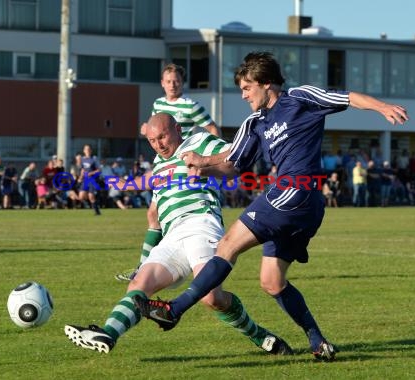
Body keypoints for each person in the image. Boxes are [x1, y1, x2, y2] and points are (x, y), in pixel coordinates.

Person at [135, 52, 408, 361]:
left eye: (247, 88)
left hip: (295, 191)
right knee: (272, 281)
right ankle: (318, 341)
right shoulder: (254, 123)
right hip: (301, 205)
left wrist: (382, 107)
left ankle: (175, 308)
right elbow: (234, 164)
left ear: (266, 84)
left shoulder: (300, 98)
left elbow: (347, 97)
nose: (243, 95)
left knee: (227, 245)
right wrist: (205, 167)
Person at [64, 113, 293, 356]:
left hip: (201, 223)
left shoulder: (199, 142)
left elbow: (236, 156)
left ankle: (261, 337)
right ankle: (107, 334)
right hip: (172, 235)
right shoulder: (159, 162)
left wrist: (205, 163)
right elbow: (153, 198)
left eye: (162, 136)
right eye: (152, 141)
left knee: (212, 299)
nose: (159, 145)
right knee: (140, 284)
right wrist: (122, 184)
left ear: (177, 129)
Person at [115, 63, 220, 281]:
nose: (172, 85)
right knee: (153, 214)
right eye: (168, 81)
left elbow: (211, 127)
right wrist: (146, 130)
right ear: (162, 83)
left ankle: (146, 268)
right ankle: (145, 267)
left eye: (176, 81)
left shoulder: (190, 105)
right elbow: (155, 128)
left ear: (182, 83)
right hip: (162, 163)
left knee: (159, 214)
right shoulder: (158, 103)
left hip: (183, 165)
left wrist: (211, 158)